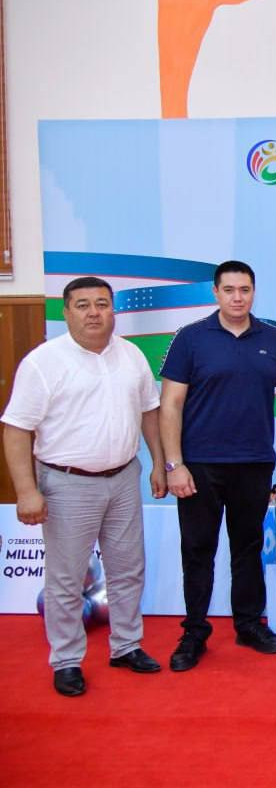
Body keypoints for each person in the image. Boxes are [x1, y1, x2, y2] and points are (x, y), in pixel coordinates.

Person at [1, 277, 167, 696]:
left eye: (102, 304)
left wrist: (158, 464)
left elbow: (150, 412)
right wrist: (26, 491)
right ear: (66, 312)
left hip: (124, 477)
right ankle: (67, 661)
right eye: (83, 305)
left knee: (128, 568)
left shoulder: (131, 355)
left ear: (113, 310)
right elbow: (16, 429)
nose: (94, 312)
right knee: (67, 578)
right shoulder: (43, 362)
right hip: (66, 484)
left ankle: (126, 645)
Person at [159, 260, 276, 671]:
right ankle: (194, 632)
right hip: (198, 466)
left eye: (244, 290)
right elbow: (170, 404)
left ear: (253, 292)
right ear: (216, 292)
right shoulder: (190, 338)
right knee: (197, 550)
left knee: (248, 547)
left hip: (254, 462)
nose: (237, 298)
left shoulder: (275, 339)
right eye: (229, 290)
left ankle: (248, 624)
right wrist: (174, 464)